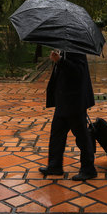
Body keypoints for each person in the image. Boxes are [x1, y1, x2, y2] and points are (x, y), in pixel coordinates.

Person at [39, 49, 97, 181]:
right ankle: (55, 166)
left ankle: (89, 169)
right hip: (63, 100)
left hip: (74, 102)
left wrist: (60, 60)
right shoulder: (64, 48)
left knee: (82, 136)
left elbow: (78, 72)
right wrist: (58, 59)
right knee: (56, 134)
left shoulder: (76, 50)